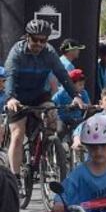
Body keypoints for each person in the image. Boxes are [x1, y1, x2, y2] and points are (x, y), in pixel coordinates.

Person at [4, 19, 85, 181]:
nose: (39, 44)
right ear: (28, 37)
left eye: (44, 40)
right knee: (18, 135)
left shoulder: (49, 53)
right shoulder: (17, 52)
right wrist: (11, 98)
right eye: (36, 39)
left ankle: (44, 154)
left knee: (52, 117)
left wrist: (76, 96)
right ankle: (15, 177)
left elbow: (63, 75)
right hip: (18, 97)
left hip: (40, 95)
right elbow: (10, 76)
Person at [52, 69, 91, 138]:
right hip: (62, 118)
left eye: (83, 84)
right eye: (80, 85)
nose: (82, 87)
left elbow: (88, 104)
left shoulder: (83, 93)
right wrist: (65, 107)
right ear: (71, 84)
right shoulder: (61, 93)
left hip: (76, 118)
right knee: (60, 131)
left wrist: (84, 106)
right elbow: (53, 102)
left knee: (82, 131)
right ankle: (58, 146)